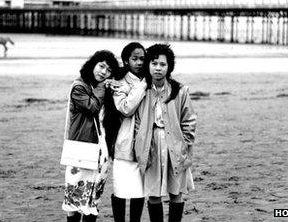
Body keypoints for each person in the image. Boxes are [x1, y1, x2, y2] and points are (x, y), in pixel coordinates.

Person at [134, 44, 196, 222]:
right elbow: (136, 119)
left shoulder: (180, 90)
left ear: (169, 67)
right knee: (153, 192)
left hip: (175, 144)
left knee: (176, 191)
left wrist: (185, 143)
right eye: (154, 63)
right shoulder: (142, 90)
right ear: (148, 65)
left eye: (162, 64)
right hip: (151, 143)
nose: (158, 68)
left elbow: (189, 120)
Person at [62, 50, 120, 222]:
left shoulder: (102, 88)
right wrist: (104, 87)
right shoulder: (79, 86)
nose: (104, 72)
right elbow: (92, 107)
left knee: (93, 198)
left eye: (109, 70)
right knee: (74, 197)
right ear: (92, 64)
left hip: (101, 148)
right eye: (101, 66)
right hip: (82, 146)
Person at [104, 42, 147, 222]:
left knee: (140, 191)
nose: (139, 62)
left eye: (142, 59)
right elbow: (126, 108)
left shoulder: (149, 79)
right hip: (124, 143)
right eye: (134, 59)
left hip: (145, 143)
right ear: (126, 61)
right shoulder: (119, 82)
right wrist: (142, 85)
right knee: (120, 190)